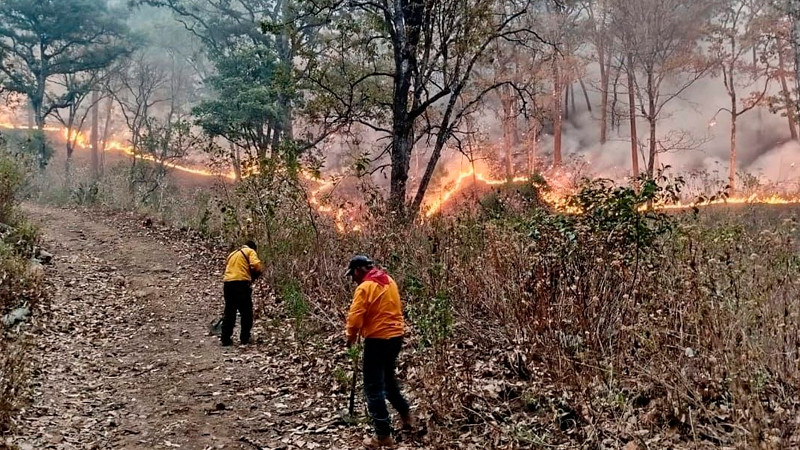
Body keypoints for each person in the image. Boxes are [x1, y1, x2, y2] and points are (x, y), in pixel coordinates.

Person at [345, 255, 413, 449]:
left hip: (377, 340)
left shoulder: (365, 287)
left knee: (373, 387)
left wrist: (351, 337)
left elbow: (355, 315)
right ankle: (406, 416)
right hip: (396, 337)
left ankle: (383, 435)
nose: (353, 279)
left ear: (358, 270)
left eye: (353, 275)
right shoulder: (389, 281)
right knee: (388, 380)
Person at [221, 240, 263, 346]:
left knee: (230, 312)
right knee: (246, 312)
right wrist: (256, 273)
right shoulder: (250, 251)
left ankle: (225, 338)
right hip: (241, 284)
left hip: (228, 284)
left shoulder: (232, 254)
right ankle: (245, 338)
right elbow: (256, 265)